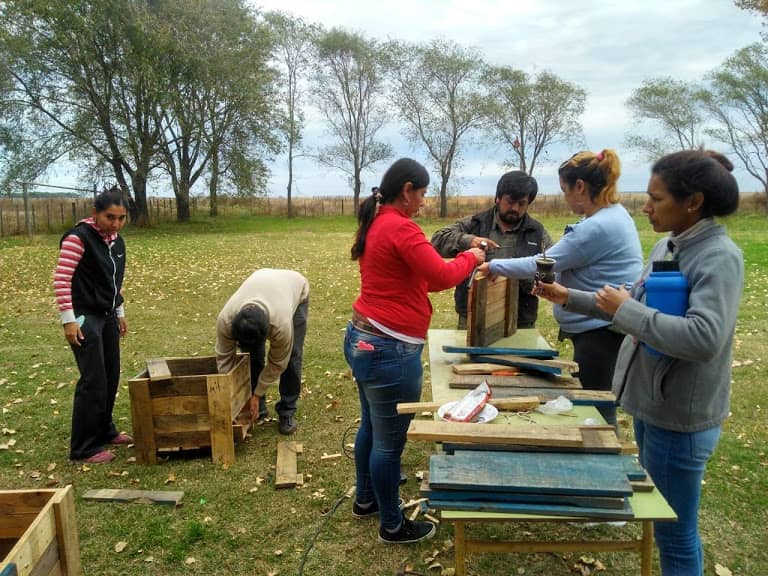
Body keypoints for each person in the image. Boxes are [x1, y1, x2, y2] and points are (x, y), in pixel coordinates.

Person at [535, 150, 743, 575]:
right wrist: (569, 297)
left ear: (693, 202)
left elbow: (704, 338)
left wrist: (628, 309)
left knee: (674, 532)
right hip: (652, 406)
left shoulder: (718, 256)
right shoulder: (669, 243)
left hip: (680, 418)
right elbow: (630, 304)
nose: (645, 206)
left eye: (657, 198)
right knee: (665, 524)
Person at [343, 158, 485, 544]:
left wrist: (457, 263)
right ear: (407, 190)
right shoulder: (402, 228)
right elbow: (440, 274)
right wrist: (471, 258)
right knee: (389, 443)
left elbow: (421, 280)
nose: (424, 201)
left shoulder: (378, 222)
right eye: (422, 193)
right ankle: (392, 525)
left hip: (363, 338)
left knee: (372, 426)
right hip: (389, 349)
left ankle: (366, 500)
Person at [478, 150, 643, 425]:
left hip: (598, 333)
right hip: (601, 326)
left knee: (597, 406)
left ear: (580, 186)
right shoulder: (614, 215)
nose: (565, 198)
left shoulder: (598, 227)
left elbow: (541, 263)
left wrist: (494, 266)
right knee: (597, 400)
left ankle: (602, 456)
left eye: (565, 190)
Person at [54, 188, 132, 464]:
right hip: (85, 316)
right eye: (110, 217)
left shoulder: (117, 242)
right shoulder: (78, 239)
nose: (115, 223)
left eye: (121, 218)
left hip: (108, 314)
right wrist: (69, 321)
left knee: (111, 375)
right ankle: (83, 447)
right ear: (95, 213)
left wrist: (119, 311)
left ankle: (105, 430)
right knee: (93, 379)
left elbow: (114, 283)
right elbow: (62, 280)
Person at [431, 171, 552, 329]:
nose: (515, 208)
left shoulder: (537, 233)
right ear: (498, 198)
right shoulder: (474, 224)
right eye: (510, 201)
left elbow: (552, 273)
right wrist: (470, 240)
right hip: (472, 315)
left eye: (521, 203)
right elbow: (437, 240)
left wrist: (521, 274)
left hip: (519, 320)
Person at [216, 268, 309, 436]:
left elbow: (277, 363)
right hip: (264, 282)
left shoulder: (281, 324)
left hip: (295, 287)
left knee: (292, 357)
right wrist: (231, 397)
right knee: (252, 356)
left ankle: (287, 411)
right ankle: (258, 408)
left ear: (268, 330)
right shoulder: (226, 320)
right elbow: (225, 359)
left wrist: (257, 393)